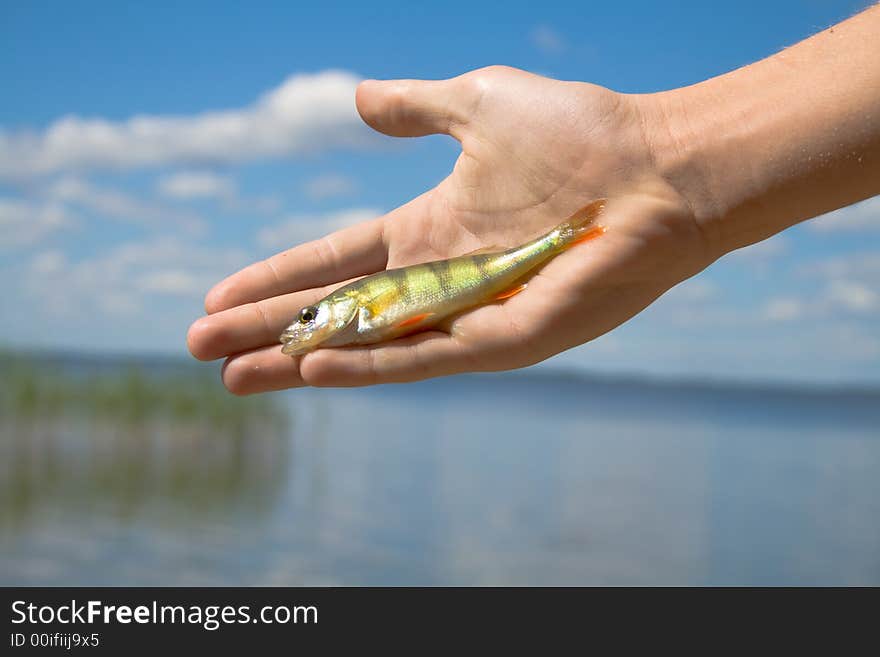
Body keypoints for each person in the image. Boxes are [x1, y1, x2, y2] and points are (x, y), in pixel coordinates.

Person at [187, 6, 880, 394]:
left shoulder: (357, 306)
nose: (310, 320)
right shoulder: (357, 314)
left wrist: (656, 158)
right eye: (309, 318)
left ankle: (562, 238)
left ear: (339, 305)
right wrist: (670, 169)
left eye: (313, 313)